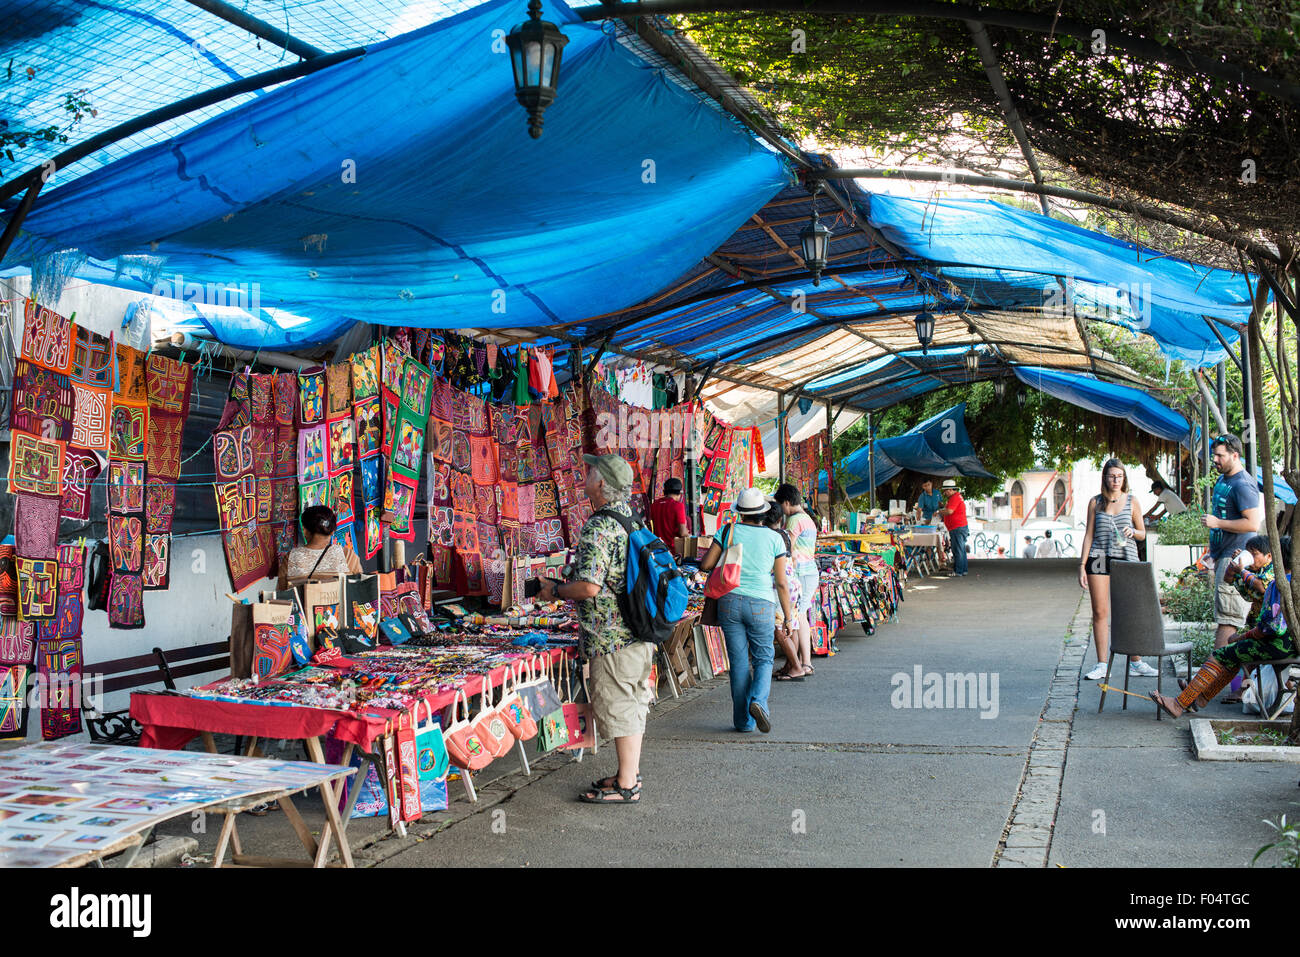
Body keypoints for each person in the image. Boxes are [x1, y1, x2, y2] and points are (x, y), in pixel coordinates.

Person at [537, 454, 653, 804]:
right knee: (631, 704)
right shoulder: (632, 519)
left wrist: (553, 590)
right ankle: (627, 774)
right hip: (637, 630)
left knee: (618, 706)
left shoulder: (600, 526)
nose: (584, 475)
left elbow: (589, 586)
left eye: (590, 471)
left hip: (612, 637)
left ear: (601, 483)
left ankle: (627, 785)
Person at [1152, 537, 1293, 719]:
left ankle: (1179, 703)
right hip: (1291, 646)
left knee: (1220, 655)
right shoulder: (1292, 581)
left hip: (1277, 646)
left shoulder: (1278, 584)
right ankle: (1201, 698)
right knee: (1234, 656)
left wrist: (1242, 637)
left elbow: (1271, 628)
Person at [699, 487, 794, 733]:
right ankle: (758, 702)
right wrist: (789, 617)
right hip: (762, 603)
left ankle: (743, 722)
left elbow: (707, 564)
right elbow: (782, 583)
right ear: (763, 513)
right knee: (763, 658)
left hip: (729, 601)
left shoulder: (728, 530)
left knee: (739, 662)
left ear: (740, 512)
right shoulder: (776, 539)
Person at [1078, 459, 1155, 680]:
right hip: (1099, 557)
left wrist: (1133, 531)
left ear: (1124, 478)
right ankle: (1102, 664)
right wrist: (1082, 565)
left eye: (1119, 476)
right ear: (1105, 478)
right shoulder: (1096, 502)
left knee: (1129, 611)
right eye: (1112, 476)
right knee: (1100, 612)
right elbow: (1089, 535)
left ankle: (1136, 662)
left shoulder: (1132, 501)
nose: (1115, 480)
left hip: (1126, 557)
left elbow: (1142, 533)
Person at [1202, 434, 1264, 650]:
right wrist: (1214, 552)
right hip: (1222, 556)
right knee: (1226, 618)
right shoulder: (1223, 479)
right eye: (1214, 455)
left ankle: (1210, 683)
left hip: (1234, 558)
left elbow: (1252, 524)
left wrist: (1217, 522)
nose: (1215, 460)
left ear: (1235, 455)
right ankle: (1229, 681)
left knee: (1228, 621)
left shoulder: (1243, 484)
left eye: (1220, 455)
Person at [775, 482, 820, 678]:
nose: (781, 511)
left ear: (786, 502)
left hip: (801, 573)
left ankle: (805, 663)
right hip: (809, 571)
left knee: (798, 616)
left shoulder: (794, 521)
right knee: (800, 616)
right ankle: (798, 663)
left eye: (781, 506)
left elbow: (785, 549)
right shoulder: (808, 518)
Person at [762, 502, 807, 681]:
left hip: (779, 586)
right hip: (793, 584)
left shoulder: (768, 537)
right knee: (792, 627)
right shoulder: (786, 535)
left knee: (779, 630)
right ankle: (790, 666)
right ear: (781, 519)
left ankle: (796, 666)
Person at [286, 505, 362, 578]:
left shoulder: (290, 558)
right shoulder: (347, 555)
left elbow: (282, 589)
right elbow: (361, 585)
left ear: (304, 531)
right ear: (332, 531)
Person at [935, 480, 969, 576]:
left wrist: (939, 512)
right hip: (959, 526)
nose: (945, 493)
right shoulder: (957, 497)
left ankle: (958, 571)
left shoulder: (954, 498)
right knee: (961, 549)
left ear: (950, 490)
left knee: (957, 549)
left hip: (957, 527)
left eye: (945, 491)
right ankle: (963, 570)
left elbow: (949, 511)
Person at [648, 477, 689, 556]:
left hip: (657, 549)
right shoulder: (678, 506)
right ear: (680, 493)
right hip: (672, 551)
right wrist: (688, 532)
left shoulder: (654, 505)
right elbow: (683, 533)